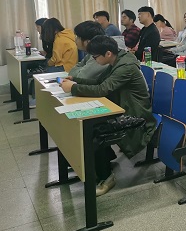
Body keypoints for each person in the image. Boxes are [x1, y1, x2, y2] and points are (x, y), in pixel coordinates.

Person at [60, 36, 156, 196]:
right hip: (123, 107)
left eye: (96, 57)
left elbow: (102, 89)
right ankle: (97, 164)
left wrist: (74, 88)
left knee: (95, 131)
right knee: (89, 125)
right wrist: (75, 80)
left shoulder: (126, 67)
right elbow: (100, 82)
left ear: (108, 53)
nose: (94, 60)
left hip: (135, 115)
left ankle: (106, 177)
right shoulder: (117, 61)